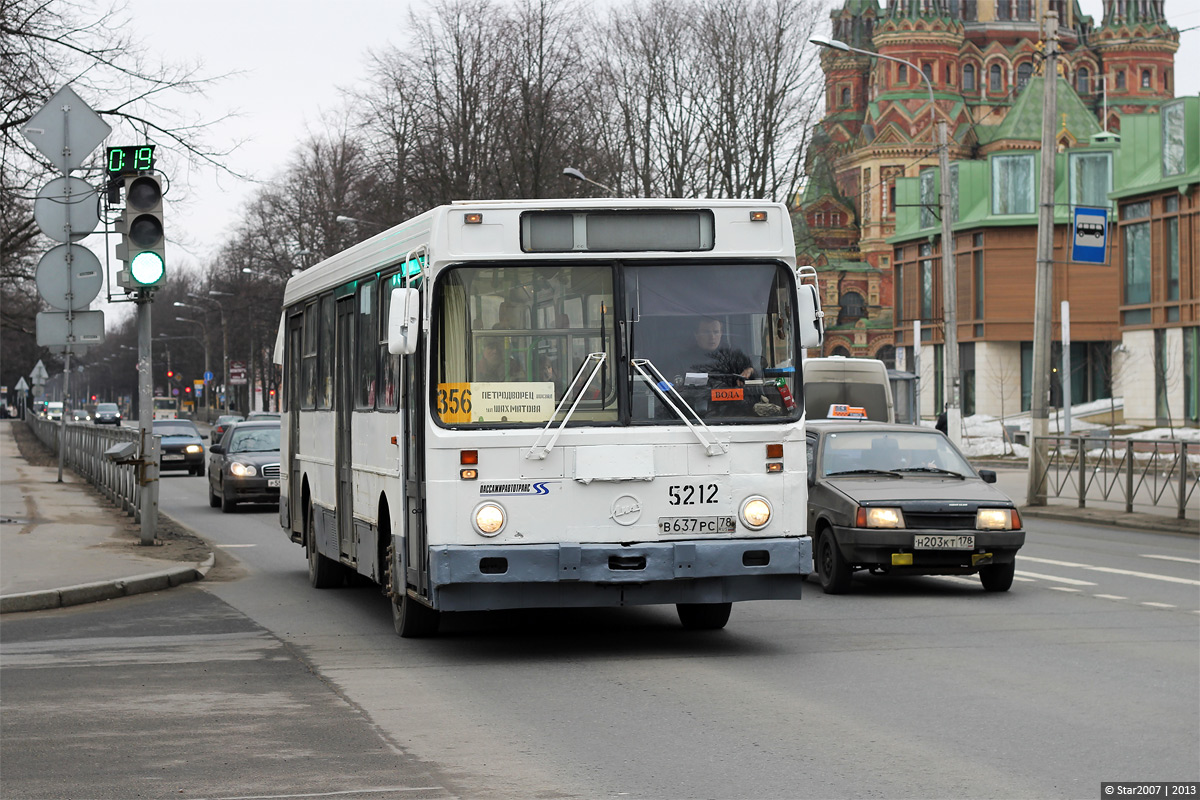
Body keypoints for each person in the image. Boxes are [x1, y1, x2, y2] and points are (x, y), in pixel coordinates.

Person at [675, 317, 754, 384]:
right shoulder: (683, 360)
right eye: (706, 332)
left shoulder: (733, 355)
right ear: (696, 334)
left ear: (721, 333)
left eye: (716, 332)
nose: (712, 337)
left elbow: (756, 373)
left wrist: (750, 371)